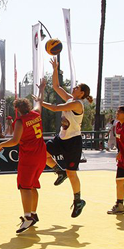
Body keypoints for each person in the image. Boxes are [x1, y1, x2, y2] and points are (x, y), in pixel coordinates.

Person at [35, 58, 92, 218]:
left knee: (72, 172)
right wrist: (55, 69)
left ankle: (78, 200)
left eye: (77, 87)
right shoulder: (70, 99)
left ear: (81, 93)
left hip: (73, 142)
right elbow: (56, 86)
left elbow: (54, 108)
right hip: (62, 138)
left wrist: (40, 102)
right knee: (42, 151)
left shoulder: (77, 104)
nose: (74, 88)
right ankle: (59, 171)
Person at [0, 97, 47, 233]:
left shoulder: (20, 121)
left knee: (24, 187)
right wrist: (41, 90)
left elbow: (15, 140)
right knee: (33, 186)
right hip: (41, 155)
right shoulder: (36, 114)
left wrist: (2, 144)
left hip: (29, 157)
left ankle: (27, 217)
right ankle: (33, 213)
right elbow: (39, 104)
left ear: (17, 109)